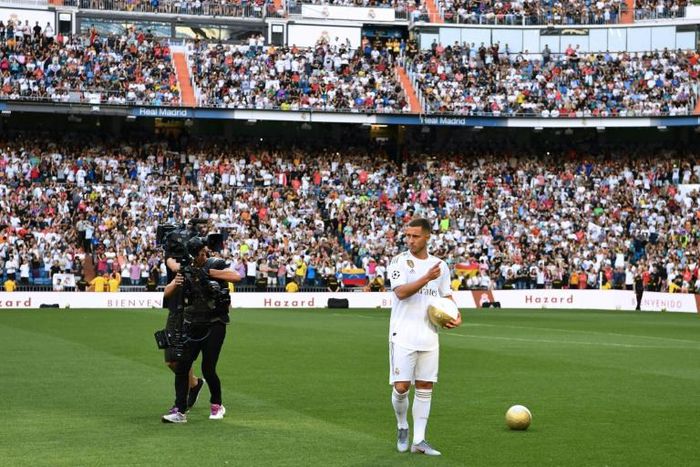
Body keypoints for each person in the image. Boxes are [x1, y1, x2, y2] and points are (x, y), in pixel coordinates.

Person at [386, 218, 461, 456]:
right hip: (403, 334)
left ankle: (419, 440)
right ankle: (402, 425)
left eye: (415, 236)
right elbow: (401, 293)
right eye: (407, 235)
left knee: (426, 385)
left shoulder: (440, 265)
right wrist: (426, 278)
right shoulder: (399, 262)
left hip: (429, 334)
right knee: (401, 388)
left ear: (427, 237)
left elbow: (446, 296)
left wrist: (456, 314)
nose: (410, 240)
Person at [162, 238, 241, 423]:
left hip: (215, 324)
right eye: (201, 253)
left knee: (208, 368)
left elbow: (236, 277)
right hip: (191, 324)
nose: (205, 256)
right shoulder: (185, 271)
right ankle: (179, 410)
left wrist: (208, 272)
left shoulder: (214, 264)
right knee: (182, 367)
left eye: (206, 252)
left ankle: (217, 404)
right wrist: (178, 280)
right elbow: (167, 293)